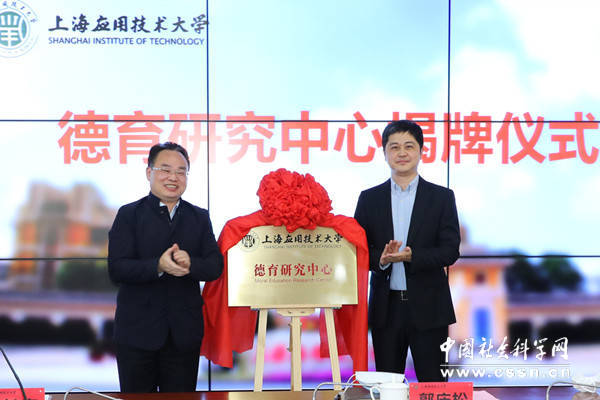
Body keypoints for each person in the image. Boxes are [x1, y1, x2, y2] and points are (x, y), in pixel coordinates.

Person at [108, 142, 223, 392]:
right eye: (166, 169)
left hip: (183, 335)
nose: (173, 177)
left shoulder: (199, 217)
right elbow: (117, 269)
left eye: (181, 171)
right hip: (136, 334)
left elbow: (215, 266)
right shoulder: (129, 214)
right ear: (149, 172)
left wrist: (191, 263)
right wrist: (157, 266)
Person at [354, 120, 460, 382]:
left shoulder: (442, 197)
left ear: (421, 151)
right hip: (386, 310)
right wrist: (381, 259)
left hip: (430, 308)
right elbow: (358, 249)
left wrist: (413, 256)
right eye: (394, 147)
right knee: (388, 387)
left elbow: (450, 251)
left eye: (409, 146)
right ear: (385, 153)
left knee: (434, 386)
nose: (401, 153)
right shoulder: (369, 199)